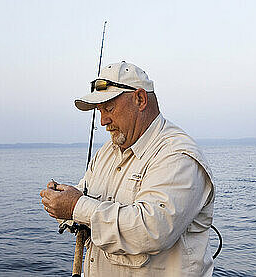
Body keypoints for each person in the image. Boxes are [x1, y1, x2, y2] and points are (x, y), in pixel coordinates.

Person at [40, 61, 215, 276]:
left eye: (109, 108)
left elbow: (152, 230)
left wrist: (76, 206)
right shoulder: (108, 151)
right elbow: (84, 195)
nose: (103, 121)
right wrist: (60, 202)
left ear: (140, 99)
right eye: (99, 111)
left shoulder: (178, 155)